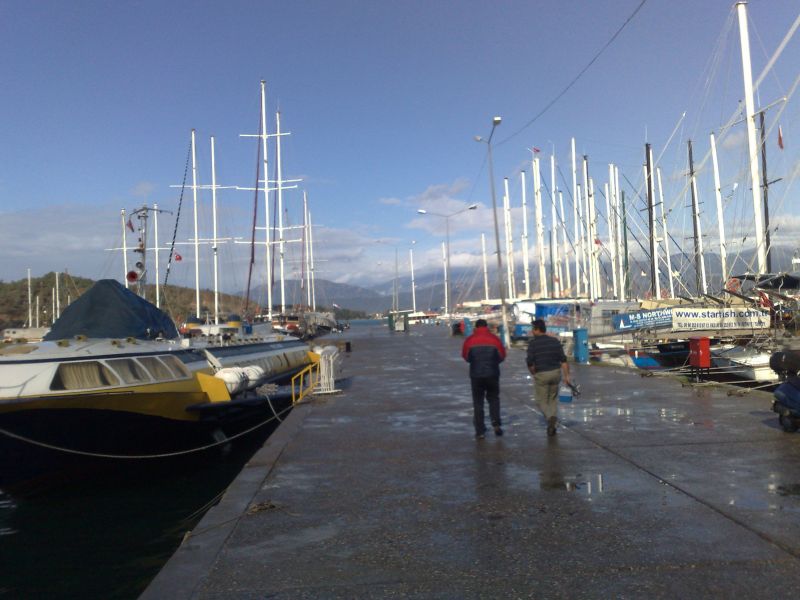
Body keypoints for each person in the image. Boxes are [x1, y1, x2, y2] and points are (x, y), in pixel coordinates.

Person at [461, 318, 506, 439]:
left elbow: (465, 356)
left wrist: (474, 361)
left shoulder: (470, 340)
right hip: (492, 373)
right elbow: (502, 356)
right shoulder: (495, 339)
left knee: (478, 402)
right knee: (493, 399)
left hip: (476, 375)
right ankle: (496, 423)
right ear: (486, 327)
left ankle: (480, 431)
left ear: (476, 327)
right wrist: (494, 363)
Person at [526, 319, 571, 436]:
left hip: (542, 374)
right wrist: (567, 376)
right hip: (556, 373)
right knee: (552, 399)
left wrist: (534, 373)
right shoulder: (555, 341)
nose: (532, 331)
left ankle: (551, 418)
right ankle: (552, 427)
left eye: (533, 329)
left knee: (540, 400)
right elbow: (563, 360)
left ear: (537, 330)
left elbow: (529, 362)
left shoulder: (533, 344)